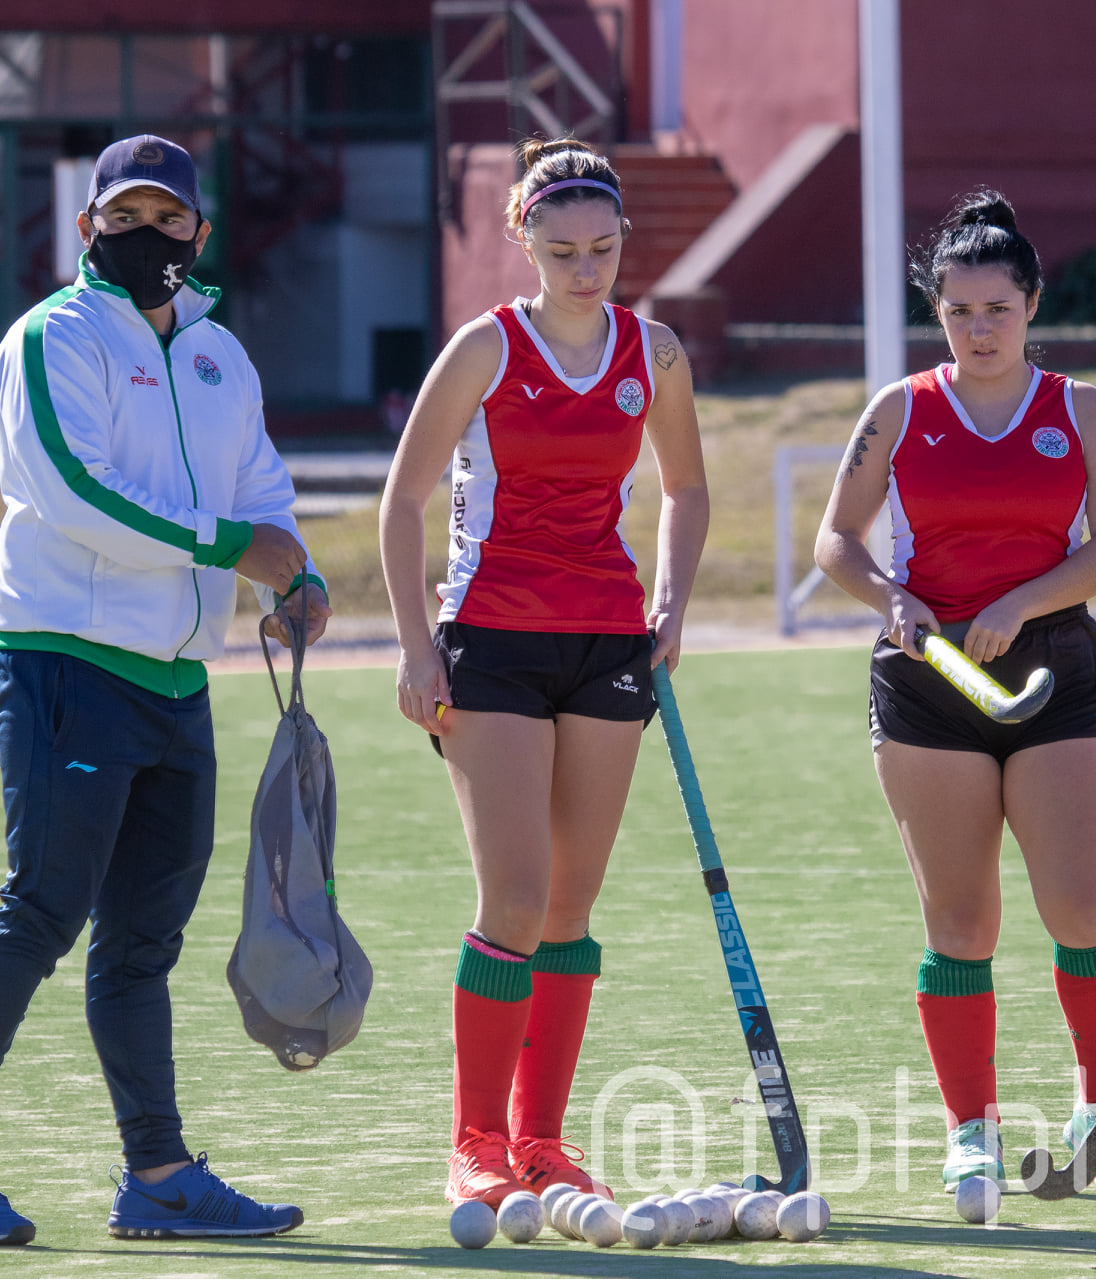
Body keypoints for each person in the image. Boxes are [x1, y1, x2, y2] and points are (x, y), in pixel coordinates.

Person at [0, 133, 329, 1243]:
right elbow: (74, 498)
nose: (149, 236)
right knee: (39, 912)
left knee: (141, 944)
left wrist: (299, 574)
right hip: (65, 665)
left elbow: (263, 491)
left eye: (169, 218)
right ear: (87, 227)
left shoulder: (218, 353)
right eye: (125, 218)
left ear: (200, 229)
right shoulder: (52, 336)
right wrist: (237, 549)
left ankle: (160, 1176)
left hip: (178, 683)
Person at [378, 137, 707, 1208]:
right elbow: (403, 499)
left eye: (604, 249)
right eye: (562, 249)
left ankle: (542, 1144)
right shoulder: (485, 347)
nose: (585, 269)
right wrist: (415, 643)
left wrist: (671, 600)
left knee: (570, 907)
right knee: (513, 899)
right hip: (492, 641)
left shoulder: (651, 351)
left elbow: (686, 489)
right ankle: (473, 1142)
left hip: (607, 642)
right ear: (522, 237)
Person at [813, 191, 1096, 1190]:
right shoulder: (900, 409)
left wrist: (1025, 599)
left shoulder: (1078, 409)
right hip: (927, 683)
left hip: (1052, 670)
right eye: (957, 313)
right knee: (960, 924)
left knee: (1081, 909)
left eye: (996, 309)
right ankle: (973, 1128)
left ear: (1031, 304)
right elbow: (834, 540)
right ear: (937, 313)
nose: (977, 330)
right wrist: (890, 599)